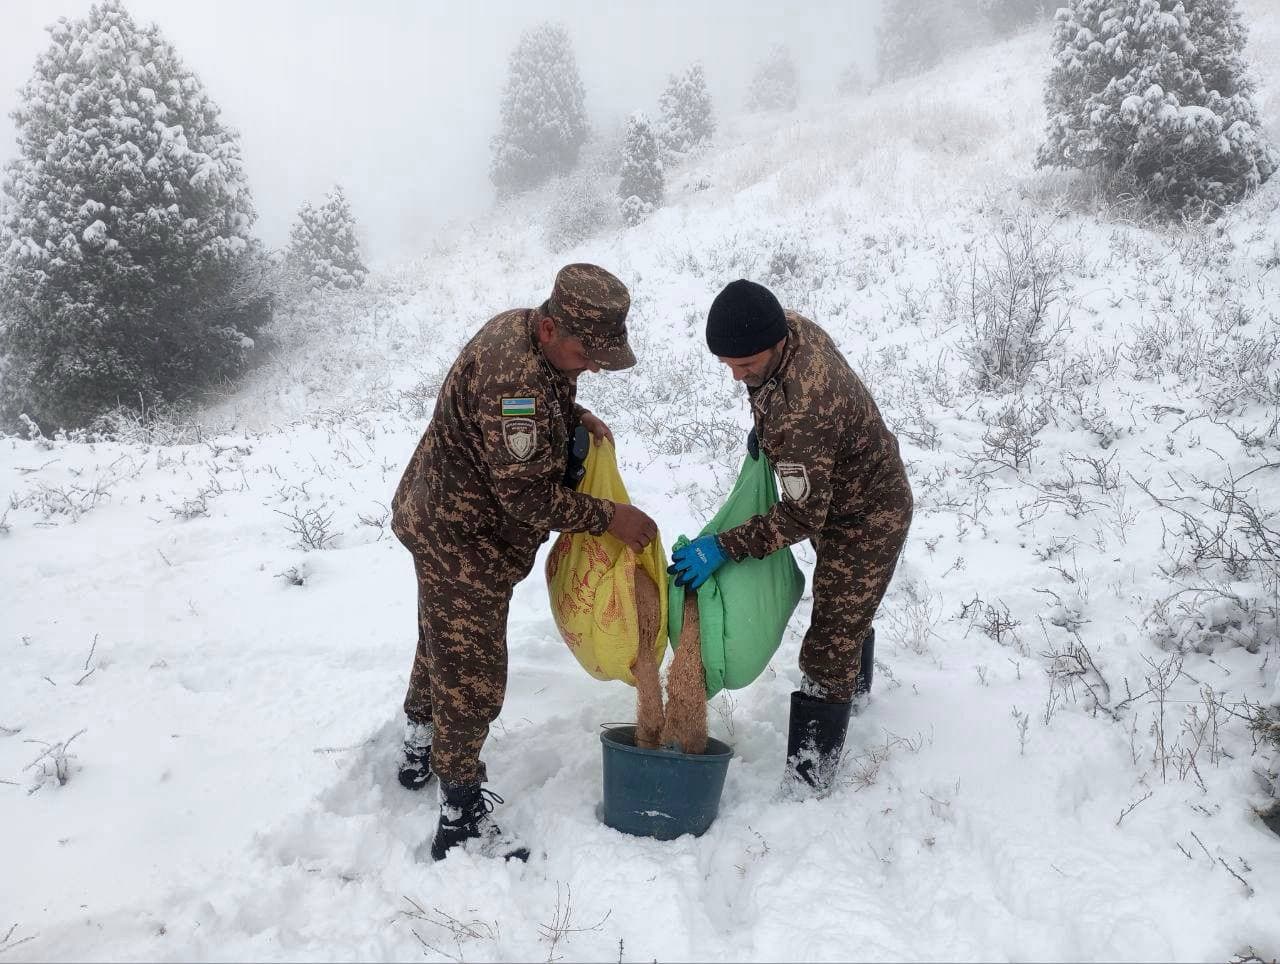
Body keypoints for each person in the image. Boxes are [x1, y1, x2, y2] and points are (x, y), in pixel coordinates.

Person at [390, 263, 658, 861]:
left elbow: (542, 404)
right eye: (585, 352)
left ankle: (417, 749)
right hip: (462, 536)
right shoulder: (519, 385)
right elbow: (526, 495)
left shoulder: (523, 335)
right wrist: (613, 517)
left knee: (441, 637)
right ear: (548, 327)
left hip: (444, 515)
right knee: (471, 672)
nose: (591, 365)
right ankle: (459, 820)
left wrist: (576, 415)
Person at [668, 279, 913, 796]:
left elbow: (801, 517)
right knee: (840, 605)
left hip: (868, 512)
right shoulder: (790, 330)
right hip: (838, 486)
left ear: (777, 342)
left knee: (829, 641)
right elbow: (772, 393)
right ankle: (856, 690)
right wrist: (765, 424)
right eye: (729, 365)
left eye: (748, 365)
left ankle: (809, 776)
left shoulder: (805, 407)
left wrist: (724, 545)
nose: (739, 377)